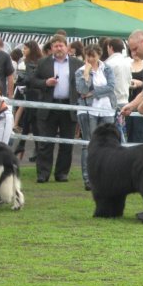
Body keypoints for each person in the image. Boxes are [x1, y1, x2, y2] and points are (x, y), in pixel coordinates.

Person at [29, 34, 84, 183]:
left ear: (67, 47)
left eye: (61, 45)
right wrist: (45, 82)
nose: (59, 48)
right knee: (45, 142)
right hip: (49, 106)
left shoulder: (77, 63)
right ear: (51, 48)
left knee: (67, 143)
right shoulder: (43, 63)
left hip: (69, 106)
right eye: (55, 46)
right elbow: (32, 80)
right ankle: (43, 174)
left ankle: (62, 173)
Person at [75, 44, 116, 191]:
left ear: (99, 55)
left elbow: (111, 87)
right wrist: (86, 75)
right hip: (89, 111)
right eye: (88, 56)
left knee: (108, 143)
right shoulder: (80, 71)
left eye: (93, 56)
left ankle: (106, 176)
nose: (91, 59)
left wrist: (93, 92)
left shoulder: (107, 68)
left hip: (107, 110)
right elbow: (81, 90)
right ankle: (88, 179)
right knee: (88, 144)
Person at [13, 40, 43, 161]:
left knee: (31, 120)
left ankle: (23, 145)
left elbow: (30, 78)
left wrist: (21, 80)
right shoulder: (29, 61)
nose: (23, 50)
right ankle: (27, 146)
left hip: (35, 95)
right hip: (31, 94)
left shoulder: (32, 62)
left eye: (25, 48)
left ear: (31, 49)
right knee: (29, 120)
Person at [105, 38, 132, 122]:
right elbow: (129, 80)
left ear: (111, 48)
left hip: (112, 102)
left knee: (111, 130)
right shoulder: (128, 62)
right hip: (125, 101)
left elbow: (105, 84)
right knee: (120, 128)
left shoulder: (108, 63)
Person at [125, 46, 143, 144]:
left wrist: (140, 83)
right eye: (132, 51)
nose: (134, 53)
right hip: (127, 99)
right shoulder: (126, 64)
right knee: (128, 129)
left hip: (140, 101)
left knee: (139, 130)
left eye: (136, 51)